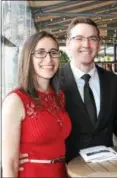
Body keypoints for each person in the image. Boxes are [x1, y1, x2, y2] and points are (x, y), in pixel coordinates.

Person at [60, 17, 117, 162]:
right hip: (68, 167)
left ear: (99, 44)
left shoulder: (112, 80)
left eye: (92, 39)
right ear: (68, 44)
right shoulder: (55, 82)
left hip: (107, 166)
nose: (86, 44)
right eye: (79, 38)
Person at [2, 31, 71, 177]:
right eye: (40, 52)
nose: (49, 59)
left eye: (53, 52)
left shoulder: (59, 96)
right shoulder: (15, 100)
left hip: (62, 173)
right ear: (29, 57)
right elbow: (10, 164)